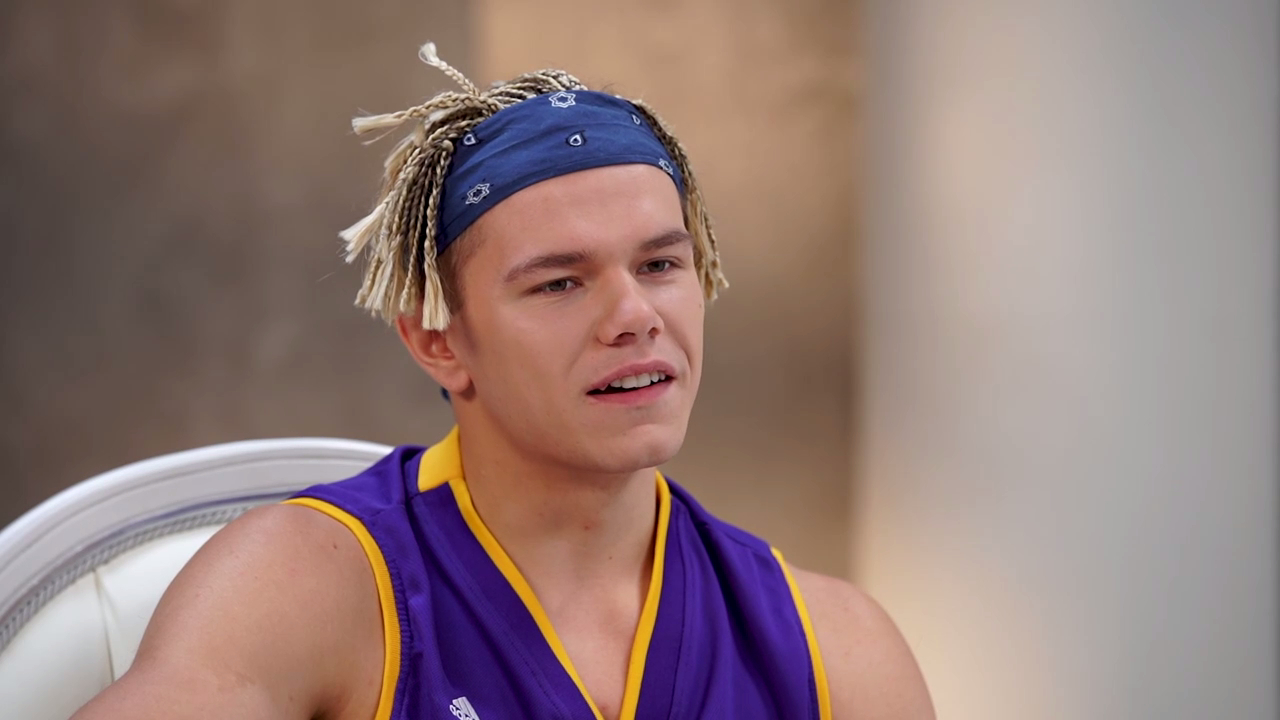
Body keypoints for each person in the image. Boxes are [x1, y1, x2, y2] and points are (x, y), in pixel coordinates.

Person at [72, 43, 933, 720]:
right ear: (439, 341)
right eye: (560, 282)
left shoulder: (834, 649)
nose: (635, 315)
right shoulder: (311, 584)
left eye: (660, 264)